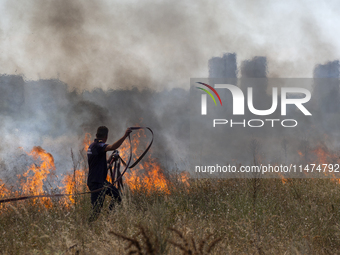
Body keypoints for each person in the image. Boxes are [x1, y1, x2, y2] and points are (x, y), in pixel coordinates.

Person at [87, 126, 132, 222]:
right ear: (106, 136)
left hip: (100, 181)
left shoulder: (92, 146)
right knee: (96, 211)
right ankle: (88, 226)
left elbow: (97, 162)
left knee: (118, 195)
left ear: (96, 135)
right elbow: (112, 147)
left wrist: (110, 160)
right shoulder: (99, 145)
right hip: (96, 183)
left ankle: (109, 219)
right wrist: (125, 136)